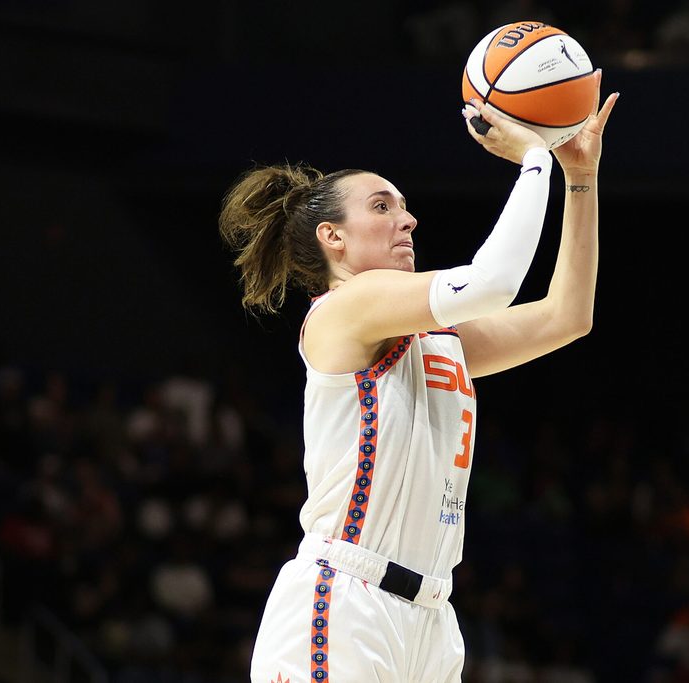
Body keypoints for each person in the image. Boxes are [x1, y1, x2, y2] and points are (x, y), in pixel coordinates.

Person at [219, 71, 618, 683]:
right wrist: (534, 157)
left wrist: (581, 178)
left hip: (430, 618)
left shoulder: (435, 341)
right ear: (333, 238)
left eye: (405, 207)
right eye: (382, 207)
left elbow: (569, 316)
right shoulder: (344, 309)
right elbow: (493, 282)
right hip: (345, 597)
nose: (407, 220)